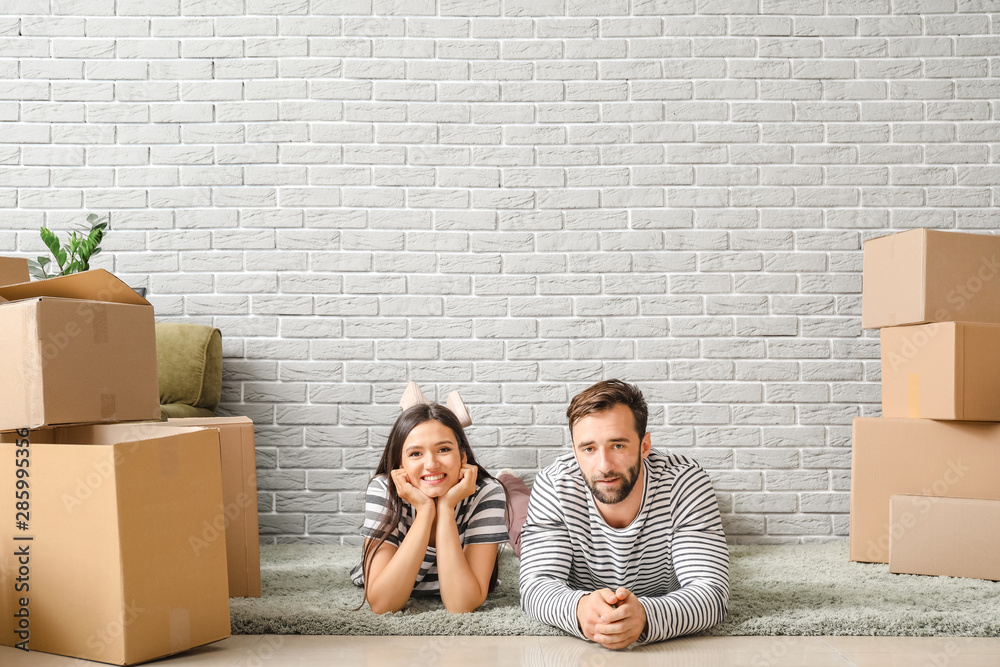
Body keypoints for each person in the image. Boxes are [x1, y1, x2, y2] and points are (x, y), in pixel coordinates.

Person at [512, 379, 730, 648]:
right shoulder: (554, 484)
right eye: (589, 449)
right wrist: (579, 608)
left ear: (644, 446)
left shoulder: (686, 483)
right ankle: (513, 489)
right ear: (575, 452)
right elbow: (535, 587)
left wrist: (647, 616)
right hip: (547, 517)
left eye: (618, 445)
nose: (604, 466)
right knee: (516, 527)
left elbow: (712, 592)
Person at [350, 399, 509, 614]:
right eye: (415, 454)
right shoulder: (383, 489)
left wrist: (445, 507)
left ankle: (513, 483)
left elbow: (461, 605)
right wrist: (425, 510)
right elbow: (382, 604)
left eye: (443, 449)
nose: (432, 464)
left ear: (462, 457)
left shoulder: (486, 492)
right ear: (399, 465)